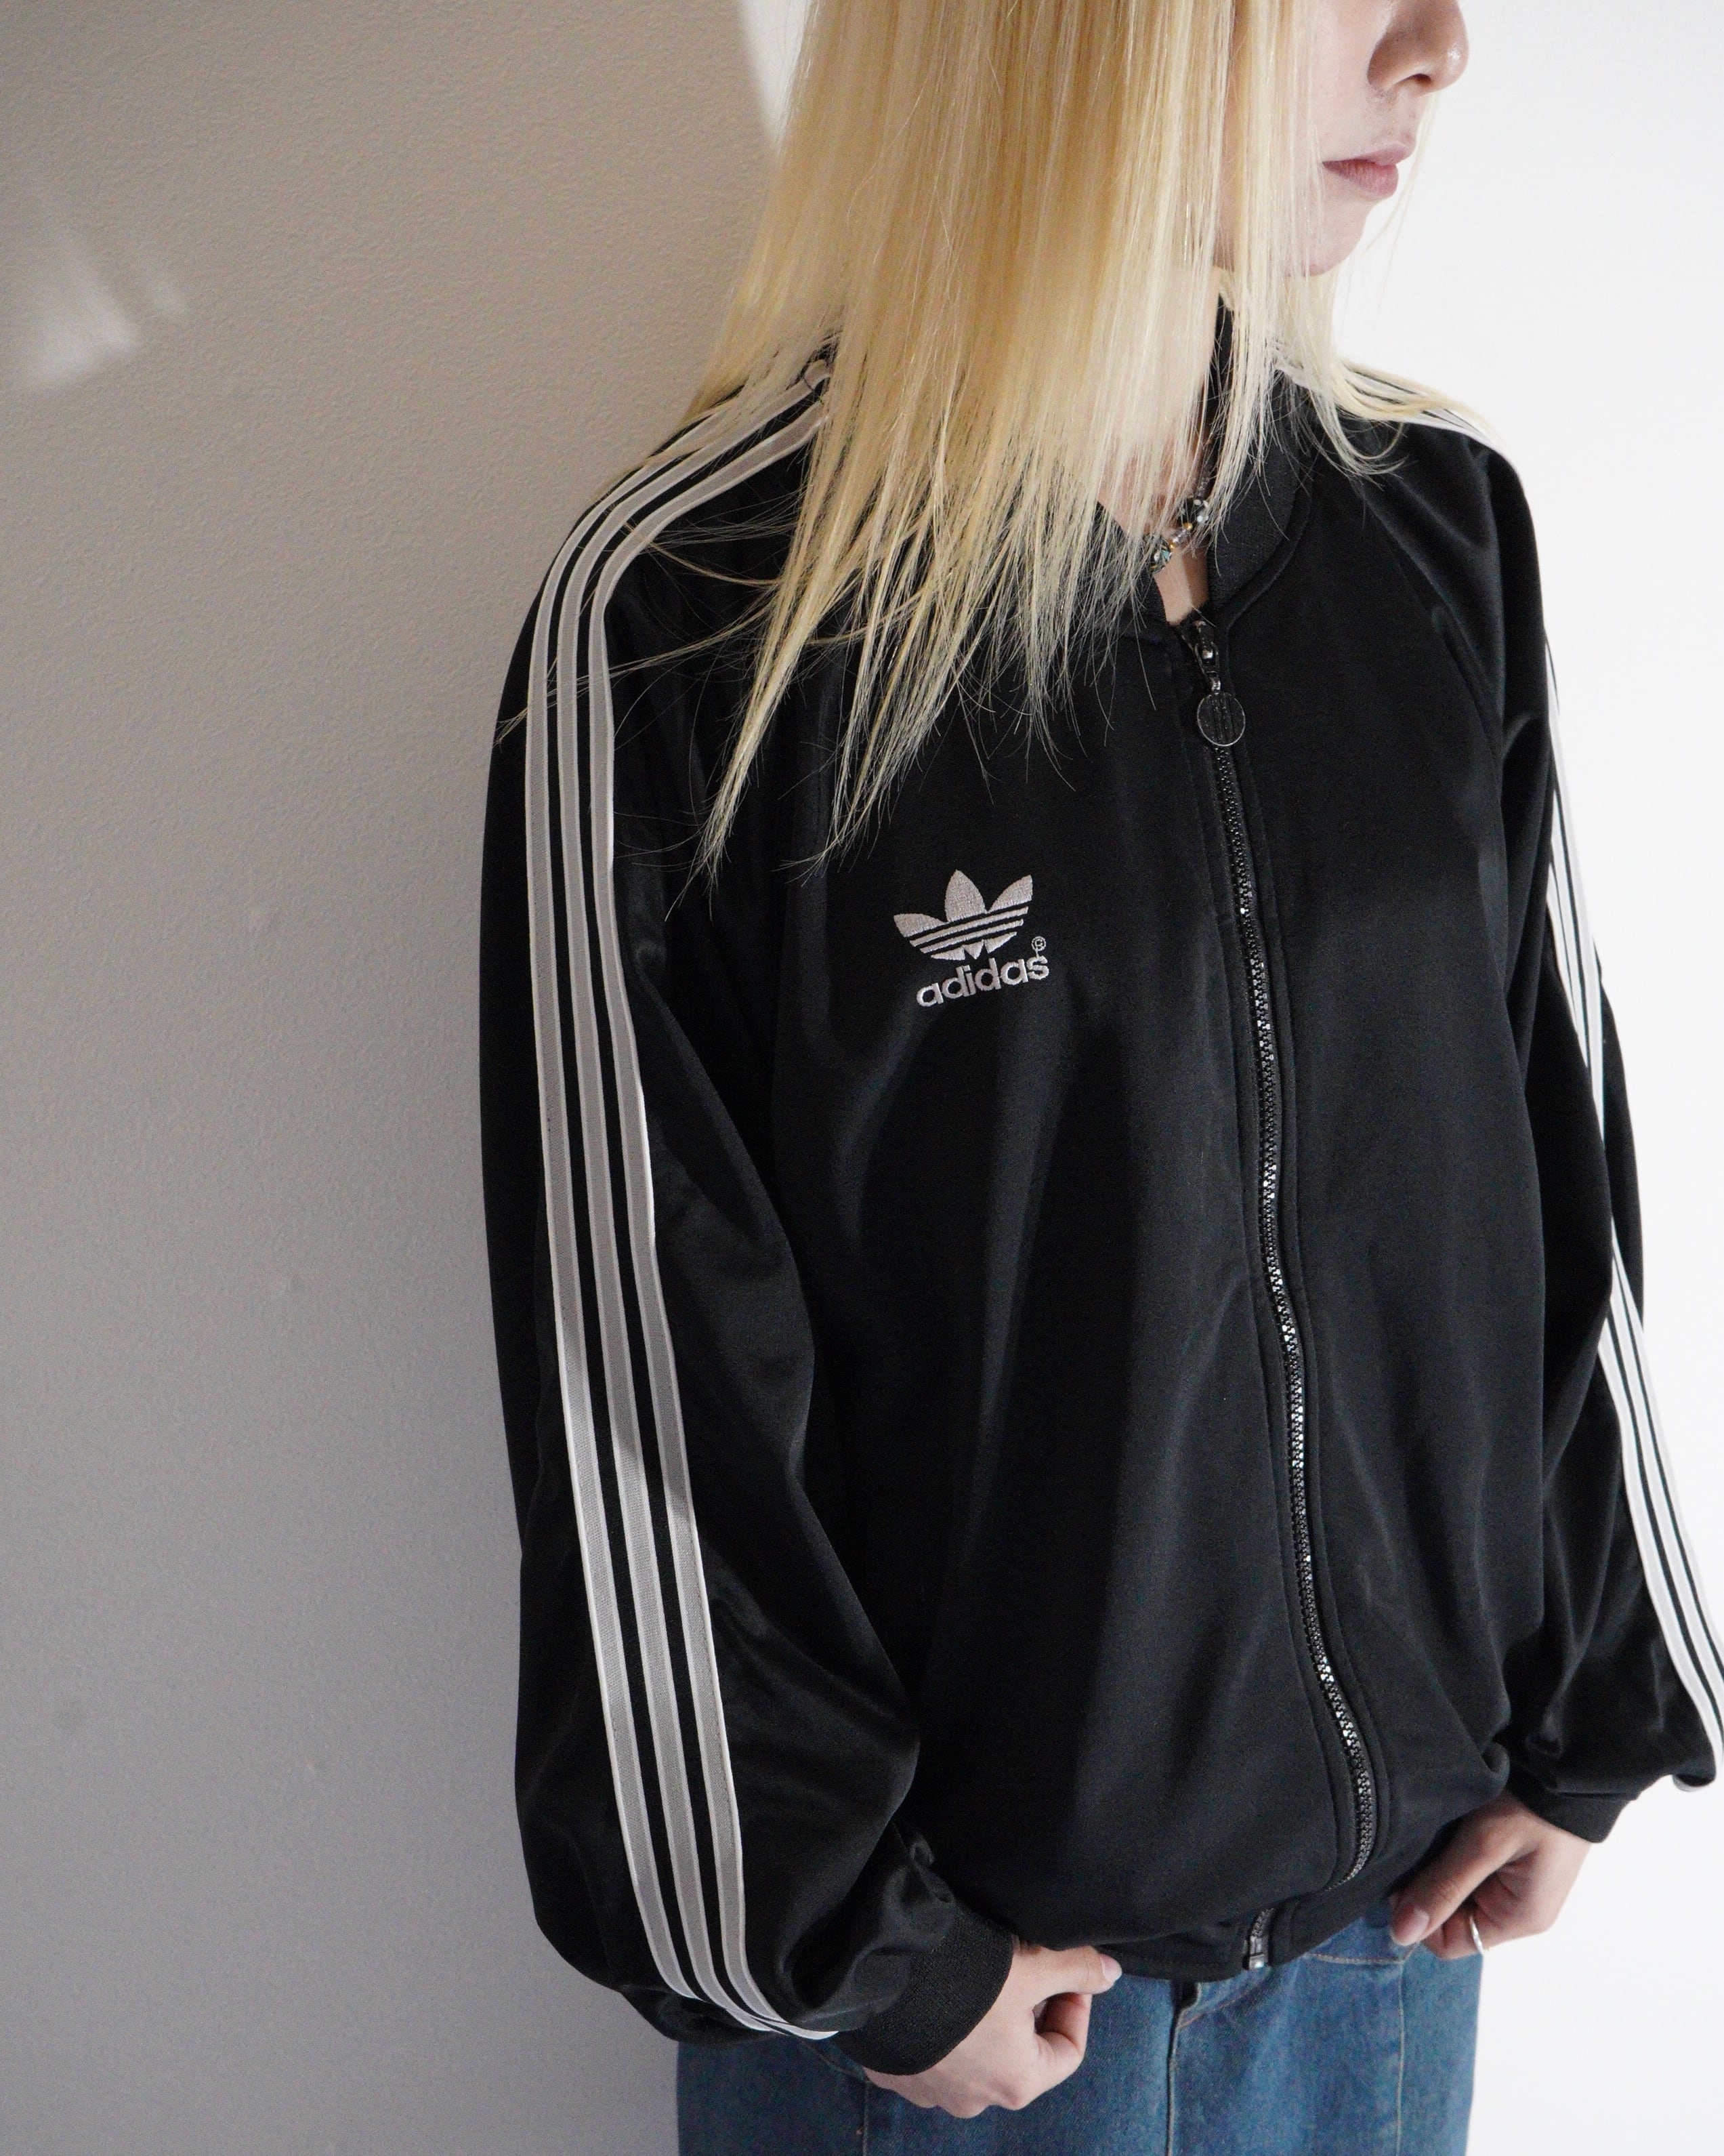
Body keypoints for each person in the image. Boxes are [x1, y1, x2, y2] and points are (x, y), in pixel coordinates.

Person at [478, 1, 1721, 2148]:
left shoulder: (1432, 533)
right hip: (963, 2013)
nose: (1437, 48)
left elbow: (1549, 1161)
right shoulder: (696, 616)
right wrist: (856, 1947)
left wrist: (1590, 1715)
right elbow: (640, 1380)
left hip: (1391, 1941)